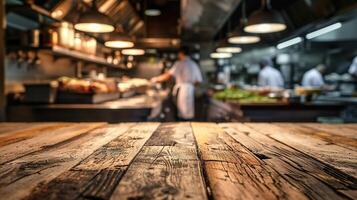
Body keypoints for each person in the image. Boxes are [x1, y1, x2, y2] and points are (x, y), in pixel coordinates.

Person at [151, 47, 203, 121]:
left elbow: (168, 75)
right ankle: (187, 125)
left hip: (182, 90)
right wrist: (190, 85)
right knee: (188, 112)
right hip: (190, 89)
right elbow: (199, 81)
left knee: (182, 112)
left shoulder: (179, 63)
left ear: (181, 54)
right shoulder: (193, 64)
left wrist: (156, 79)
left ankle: (183, 126)